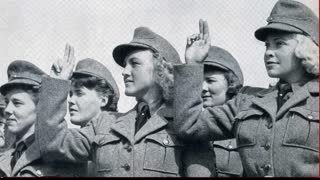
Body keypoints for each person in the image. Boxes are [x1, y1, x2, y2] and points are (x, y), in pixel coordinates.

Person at [35, 28, 214, 177]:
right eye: (125, 65)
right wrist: (57, 84)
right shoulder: (105, 123)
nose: (125, 72)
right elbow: (52, 143)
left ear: (161, 68)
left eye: (134, 64)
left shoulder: (187, 124)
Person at [173, 0, 318, 177]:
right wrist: (193, 64)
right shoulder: (248, 101)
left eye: (279, 44)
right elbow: (189, 125)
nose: (268, 52)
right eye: (267, 45)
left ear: (305, 47)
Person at [0, 60, 87, 177]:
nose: (7, 110)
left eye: (17, 103)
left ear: (40, 107)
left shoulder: (61, 157)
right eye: (7, 102)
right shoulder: (5, 158)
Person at [202, 46, 244, 177]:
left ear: (231, 84)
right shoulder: (191, 126)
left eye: (210, 81)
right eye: (198, 81)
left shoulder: (244, 126)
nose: (203, 88)